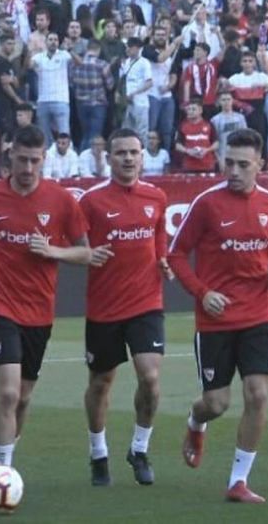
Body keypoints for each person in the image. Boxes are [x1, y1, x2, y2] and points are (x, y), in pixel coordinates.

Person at [167, 128, 268, 504]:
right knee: (216, 404)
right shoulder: (207, 203)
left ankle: (238, 481)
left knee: (257, 395)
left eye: (243, 164)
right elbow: (176, 254)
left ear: (260, 164)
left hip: (258, 315)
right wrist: (204, 294)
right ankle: (196, 421)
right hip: (215, 322)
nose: (234, 170)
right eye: (229, 162)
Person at [0, 125, 90, 471]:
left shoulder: (62, 199)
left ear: (44, 159)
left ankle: (1, 458)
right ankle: (1, 474)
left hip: (39, 310)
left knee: (22, 397)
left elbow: (86, 254)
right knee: (7, 392)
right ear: (10, 156)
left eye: (35, 161)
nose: (27, 168)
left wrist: (52, 251)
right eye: (21, 160)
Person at [80, 130, 170, 487]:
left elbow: (159, 231)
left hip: (146, 302)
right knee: (101, 382)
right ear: (109, 158)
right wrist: (85, 254)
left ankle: (140, 448)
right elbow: (73, 239)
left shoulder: (156, 196)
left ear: (142, 156)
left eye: (134, 152)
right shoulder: (91, 201)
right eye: (121, 153)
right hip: (104, 307)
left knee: (150, 377)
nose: (129, 159)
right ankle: (98, 453)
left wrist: (161, 258)